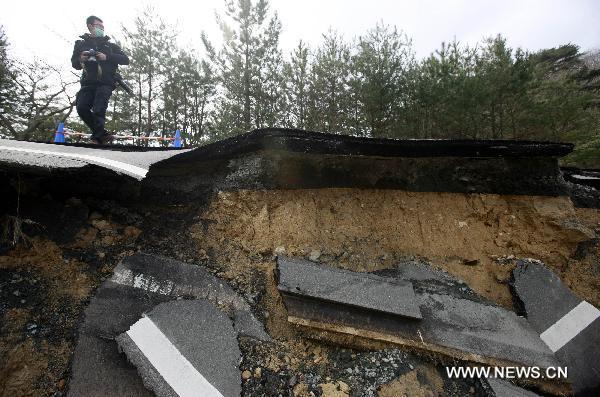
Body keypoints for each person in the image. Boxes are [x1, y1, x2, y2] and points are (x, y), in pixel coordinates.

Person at [71, 16, 129, 144]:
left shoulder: (110, 45)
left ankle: (96, 138)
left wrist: (106, 57)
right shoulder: (80, 44)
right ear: (90, 26)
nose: (101, 29)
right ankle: (102, 134)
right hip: (87, 82)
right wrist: (81, 58)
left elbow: (125, 60)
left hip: (106, 82)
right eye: (98, 26)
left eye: (102, 27)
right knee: (81, 107)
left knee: (99, 108)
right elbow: (74, 64)